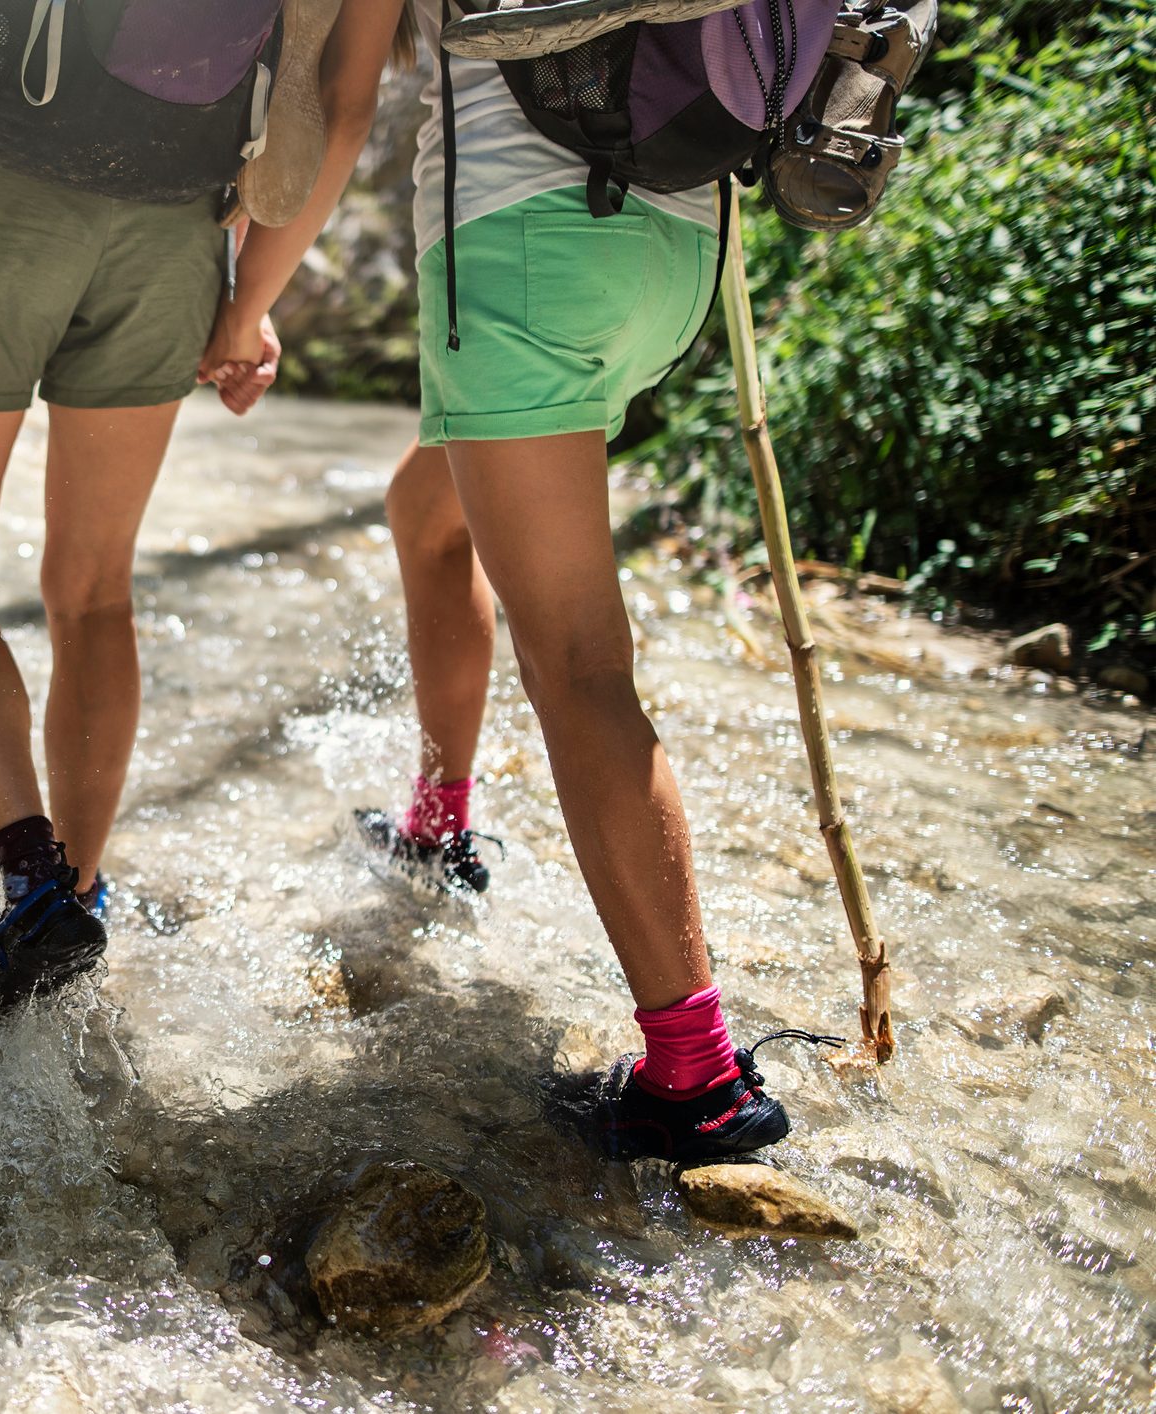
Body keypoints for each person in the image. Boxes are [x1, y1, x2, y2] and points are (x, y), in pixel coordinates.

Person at [200, 1, 804, 1164]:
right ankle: (438, 826)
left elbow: (340, 105)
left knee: (577, 662)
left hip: (525, 252)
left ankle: (698, 1077)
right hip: (677, 249)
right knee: (429, 512)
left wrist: (249, 300)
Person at [0, 1, 285, 1004]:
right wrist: (254, 294)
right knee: (93, 589)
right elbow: (321, 91)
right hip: (175, 208)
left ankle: (35, 883)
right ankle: (81, 888)